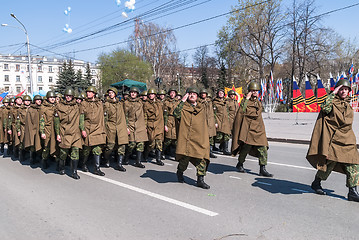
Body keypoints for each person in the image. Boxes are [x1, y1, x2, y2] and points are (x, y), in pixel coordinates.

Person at [307, 79, 359, 202]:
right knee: (329, 165)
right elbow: (324, 107)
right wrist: (333, 93)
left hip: (348, 139)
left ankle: (352, 192)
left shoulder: (348, 104)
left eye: (346, 89)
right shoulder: (332, 102)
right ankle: (316, 182)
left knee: (354, 164)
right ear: (337, 90)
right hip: (335, 140)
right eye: (341, 89)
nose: (344, 91)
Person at [231, 82, 273, 177]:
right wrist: (246, 99)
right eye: (253, 90)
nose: (255, 92)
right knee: (245, 149)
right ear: (249, 91)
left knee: (263, 148)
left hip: (258, 129)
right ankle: (240, 163)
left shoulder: (258, 102)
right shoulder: (245, 101)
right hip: (248, 130)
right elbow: (242, 111)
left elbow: (258, 114)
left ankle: (262, 169)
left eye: (256, 91)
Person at [173, 87, 210, 189]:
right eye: (190, 94)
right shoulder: (183, 107)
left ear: (197, 96)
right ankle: (180, 172)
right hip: (187, 139)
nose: (192, 95)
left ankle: (200, 180)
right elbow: (175, 114)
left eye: (194, 94)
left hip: (199, 139)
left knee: (201, 159)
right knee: (184, 161)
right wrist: (182, 101)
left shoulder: (202, 108)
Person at [54, 87, 82, 179]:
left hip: (75, 133)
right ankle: (61, 166)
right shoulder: (59, 106)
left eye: (70, 96)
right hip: (64, 132)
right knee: (63, 152)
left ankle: (74, 171)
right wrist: (58, 134)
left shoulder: (77, 106)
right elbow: (56, 121)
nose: (68, 97)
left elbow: (82, 117)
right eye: (67, 95)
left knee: (75, 152)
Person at [80, 86, 107, 176]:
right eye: (87, 92)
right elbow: (81, 118)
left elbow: (103, 116)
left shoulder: (99, 103)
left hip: (97, 129)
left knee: (97, 149)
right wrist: (82, 129)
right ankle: (83, 164)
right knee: (86, 149)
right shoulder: (84, 103)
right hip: (87, 128)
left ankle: (97, 168)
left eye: (90, 92)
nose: (88, 93)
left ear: (94, 93)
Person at [103, 87, 129, 172]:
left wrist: (126, 127)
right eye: (109, 93)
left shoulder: (120, 104)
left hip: (121, 126)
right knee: (110, 145)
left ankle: (119, 164)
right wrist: (105, 129)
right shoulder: (106, 104)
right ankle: (106, 159)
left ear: (115, 94)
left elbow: (125, 116)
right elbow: (105, 118)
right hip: (111, 126)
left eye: (112, 93)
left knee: (122, 145)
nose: (110, 94)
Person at [123, 87, 148, 168]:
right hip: (130, 124)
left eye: (135, 92)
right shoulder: (126, 103)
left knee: (141, 144)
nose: (133, 94)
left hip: (140, 125)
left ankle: (138, 161)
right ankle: (126, 157)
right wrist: (126, 126)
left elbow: (144, 114)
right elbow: (124, 116)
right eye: (131, 92)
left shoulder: (140, 102)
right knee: (132, 144)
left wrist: (145, 125)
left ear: (137, 94)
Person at [143, 88, 165, 165]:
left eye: (152, 94)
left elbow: (164, 114)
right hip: (151, 125)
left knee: (159, 142)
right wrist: (145, 126)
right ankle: (145, 155)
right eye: (149, 94)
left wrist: (164, 125)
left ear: (155, 95)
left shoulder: (160, 103)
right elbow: (145, 116)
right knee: (151, 143)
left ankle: (158, 159)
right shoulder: (146, 104)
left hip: (159, 125)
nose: (150, 95)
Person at [39, 91, 57, 169]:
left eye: (53, 97)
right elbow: (42, 120)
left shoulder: (57, 106)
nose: (52, 99)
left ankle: (57, 162)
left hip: (56, 128)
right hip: (47, 128)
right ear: (48, 98)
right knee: (46, 146)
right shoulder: (43, 108)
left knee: (57, 145)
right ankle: (44, 160)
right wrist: (42, 132)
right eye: (51, 97)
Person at [24, 95, 43, 165]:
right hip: (33, 129)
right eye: (38, 100)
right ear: (35, 100)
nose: (39, 101)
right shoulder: (30, 109)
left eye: (40, 100)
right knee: (32, 144)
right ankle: (32, 158)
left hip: (40, 128)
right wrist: (31, 130)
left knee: (40, 144)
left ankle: (40, 157)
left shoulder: (41, 108)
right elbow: (28, 121)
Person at [213, 89, 231, 155]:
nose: (221, 94)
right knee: (218, 136)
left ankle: (225, 149)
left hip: (225, 121)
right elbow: (213, 113)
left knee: (226, 135)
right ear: (217, 94)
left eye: (222, 93)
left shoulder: (226, 102)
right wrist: (215, 122)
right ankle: (212, 147)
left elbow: (228, 112)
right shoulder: (214, 102)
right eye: (219, 93)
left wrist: (229, 120)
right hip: (218, 120)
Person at [199, 89, 217, 158]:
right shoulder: (199, 102)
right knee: (202, 138)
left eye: (204, 93)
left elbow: (214, 112)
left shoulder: (210, 102)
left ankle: (210, 152)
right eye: (202, 93)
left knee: (210, 137)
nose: (203, 94)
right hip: (202, 121)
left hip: (210, 121)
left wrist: (215, 122)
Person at [163, 87, 178, 158]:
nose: (172, 94)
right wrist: (165, 124)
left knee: (175, 140)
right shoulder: (166, 102)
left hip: (176, 120)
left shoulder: (178, 102)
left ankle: (175, 154)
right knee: (167, 139)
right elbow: (165, 114)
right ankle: (162, 152)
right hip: (169, 119)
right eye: (171, 93)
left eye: (173, 93)